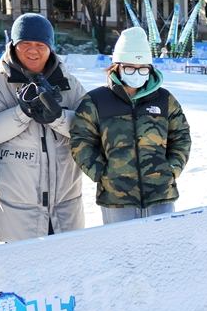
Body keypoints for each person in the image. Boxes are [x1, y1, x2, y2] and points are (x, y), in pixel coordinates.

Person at [70, 27, 191, 224]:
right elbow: (81, 139)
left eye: (143, 67)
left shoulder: (164, 100)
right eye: (129, 67)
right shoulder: (96, 100)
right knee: (122, 252)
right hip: (116, 199)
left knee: (162, 249)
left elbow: (181, 136)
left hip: (160, 193)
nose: (137, 73)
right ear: (116, 66)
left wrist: (172, 169)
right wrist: (102, 173)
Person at [0, 13, 87, 242]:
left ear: (50, 47)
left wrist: (58, 117)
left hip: (66, 209)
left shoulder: (70, 83)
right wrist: (22, 112)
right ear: (13, 45)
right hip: (17, 214)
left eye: (40, 44)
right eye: (25, 44)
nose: (33, 50)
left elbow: (90, 128)